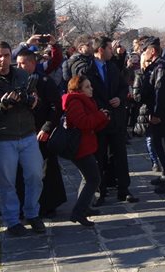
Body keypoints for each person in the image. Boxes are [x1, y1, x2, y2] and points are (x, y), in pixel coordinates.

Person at [0, 41, 45, 236]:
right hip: (2, 137)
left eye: (7, 56)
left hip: (27, 134)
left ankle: (32, 213)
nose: (3, 60)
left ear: (11, 57)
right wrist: (2, 106)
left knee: (35, 176)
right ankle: (12, 220)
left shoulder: (22, 75)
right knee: (7, 182)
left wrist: (32, 100)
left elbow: (35, 97)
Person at [73, 36, 138, 204]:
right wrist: (102, 107)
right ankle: (99, 191)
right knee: (99, 157)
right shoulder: (86, 70)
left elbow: (123, 87)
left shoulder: (112, 67)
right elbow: (85, 94)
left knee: (120, 155)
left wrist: (119, 98)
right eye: (109, 48)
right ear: (101, 50)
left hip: (116, 119)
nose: (112, 51)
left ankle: (123, 189)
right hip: (98, 120)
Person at [16, 49, 66, 217]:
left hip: (40, 132)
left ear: (32, 63)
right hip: (21, 132)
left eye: (24, 63)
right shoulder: (15, 80)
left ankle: (47, 203)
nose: (20, 66)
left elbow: (56, 107)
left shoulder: (45, 81)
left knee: (45, 170)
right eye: (19, 63)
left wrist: (47, 127)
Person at [63, 75, 109, 226]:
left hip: (86, 144)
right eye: (87, 87)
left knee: (87, 178)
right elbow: (83, 123)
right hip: (79, 147)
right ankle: (78, 212)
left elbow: (93, 124)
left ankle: (84, 207)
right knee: (94, 178)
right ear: (79, 90)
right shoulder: (75, 102)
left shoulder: (86, 101)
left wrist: (103, 117)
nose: (91, 89)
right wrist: (100, 115)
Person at [134, 37, 165, 194]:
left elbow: (161, 93)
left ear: (152, 51)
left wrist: (157, 114)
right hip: (156, 112)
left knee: (163, 145)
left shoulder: (160, 67)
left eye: (144, 50)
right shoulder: (154, 66)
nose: (142, 54)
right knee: (158, 144)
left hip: (161, 114)